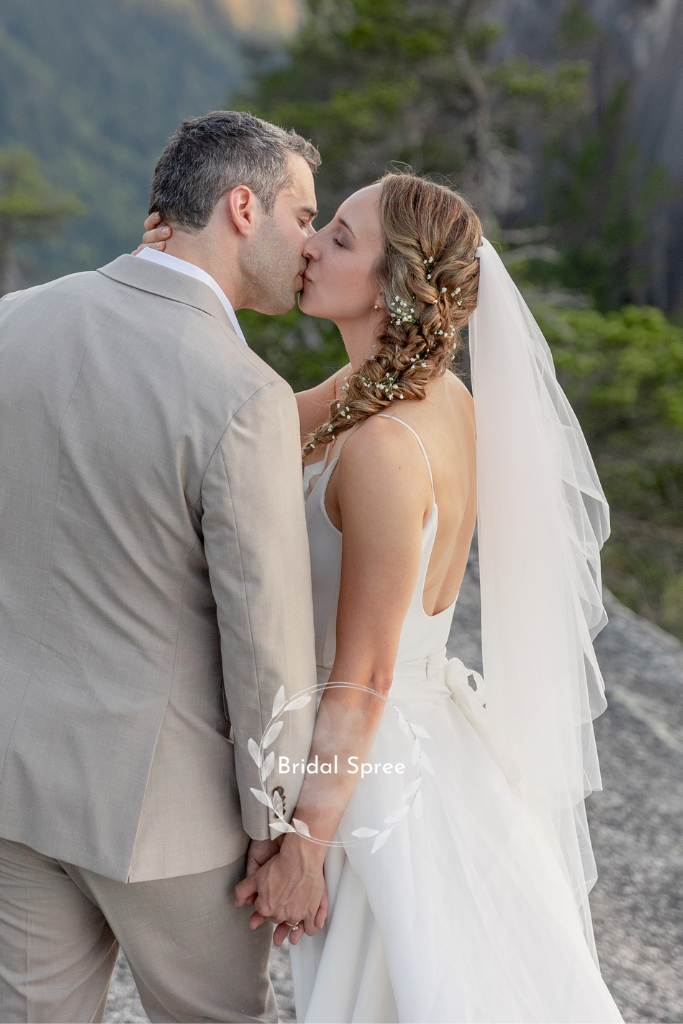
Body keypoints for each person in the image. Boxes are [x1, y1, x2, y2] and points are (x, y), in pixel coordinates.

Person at [144, 171, 624, 1022]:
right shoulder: (413, 393)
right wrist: (169, 289)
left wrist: (304, 848)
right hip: (429, 743)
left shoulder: (382, 450)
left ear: (392, 287)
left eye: (338, 236)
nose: (310, 246)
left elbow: (364, 674)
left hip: (374, 772)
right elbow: (233, 429)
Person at [0, 111, 325, 1024]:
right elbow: (266, 646)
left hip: (15, 790)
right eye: (304, 217)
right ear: (241, 207)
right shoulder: (242, 395)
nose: (310, 242)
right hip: (171, 824)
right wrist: (277, 829)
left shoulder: (14, 321)